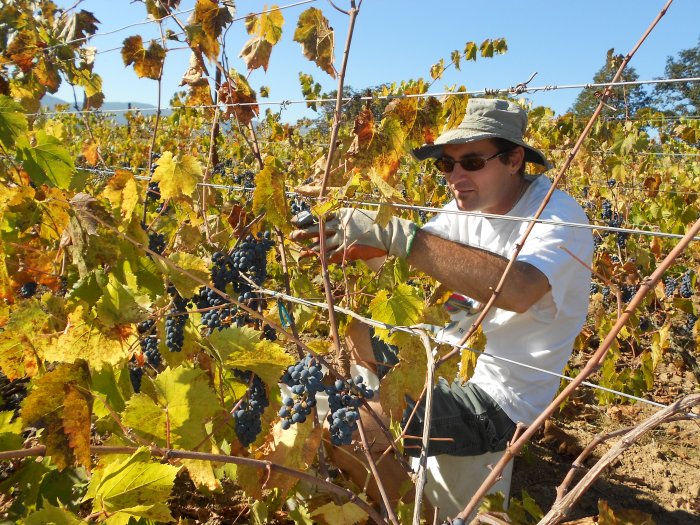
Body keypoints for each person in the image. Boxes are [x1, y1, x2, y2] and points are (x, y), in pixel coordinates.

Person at [291, 97, 593, 517]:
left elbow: (520, 289)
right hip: (443, 356)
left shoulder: (558, 217)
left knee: (353, 431)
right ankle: (396, 450)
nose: (455, 177)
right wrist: (346, 238)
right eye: (445, 165)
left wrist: (397, 235)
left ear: (514, 159)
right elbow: (409, 255)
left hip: (499, 400)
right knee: (356, 332)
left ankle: (425, 513)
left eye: (470, 162)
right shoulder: (465, 208)